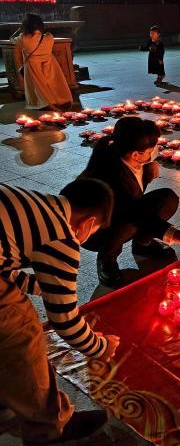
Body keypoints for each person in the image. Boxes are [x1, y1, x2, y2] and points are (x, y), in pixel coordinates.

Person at [0, 178, 119, 444]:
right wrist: (101, 347)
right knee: (20, 330)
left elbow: (4, 264)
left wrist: (40, 284)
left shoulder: (36, 204)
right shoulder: (62, 236)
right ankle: (51, 427)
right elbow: (65, 322)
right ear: (88, 222)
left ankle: (7, 396)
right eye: (93, 231)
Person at [79, 117, 180, 287]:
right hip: (96, 231)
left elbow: (136, 203)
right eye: (150, 150)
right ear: (135, 154)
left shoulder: (126, 154)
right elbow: (136, 214)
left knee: (167, 198)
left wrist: (148, 165)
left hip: (127, 212)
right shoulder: (111, 173)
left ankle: (143, 242)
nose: (153, 152)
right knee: (132, 222)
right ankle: (106, 258)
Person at [11, 13, 73, 110]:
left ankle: (46, 103)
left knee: (40, 87)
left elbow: (12, 40)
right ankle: (60, 100)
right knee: (52, 84)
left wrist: (19, 30)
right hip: (49, 63)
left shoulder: (23, 38)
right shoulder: (49, 37)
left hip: (33, 65)